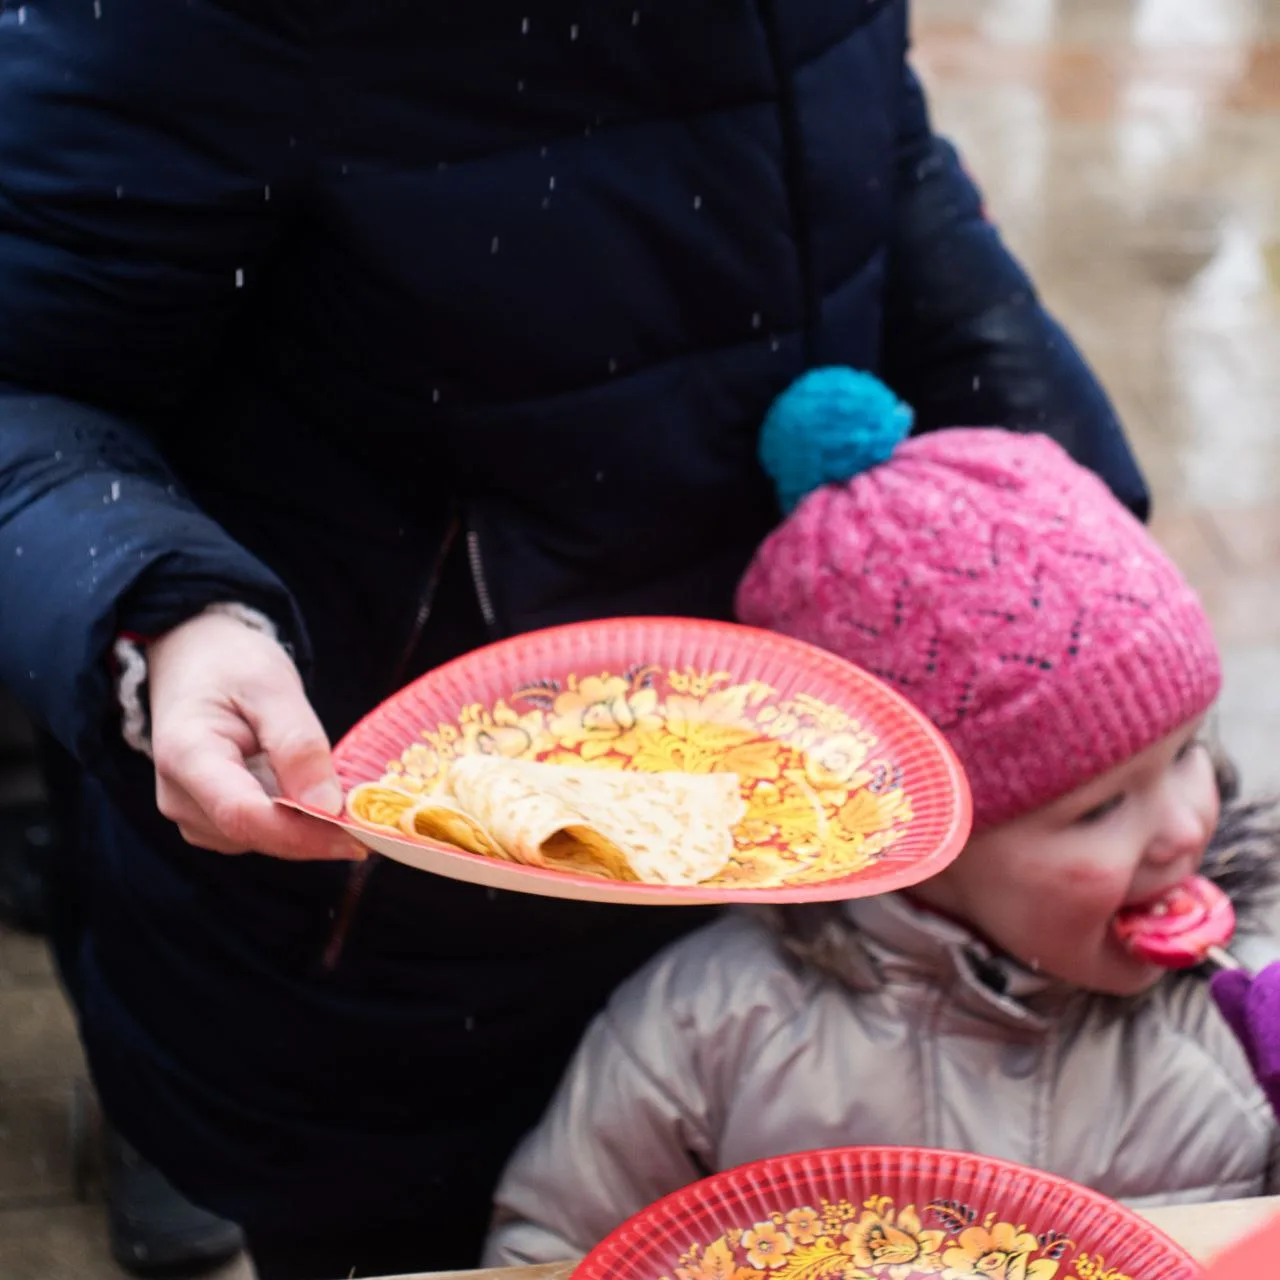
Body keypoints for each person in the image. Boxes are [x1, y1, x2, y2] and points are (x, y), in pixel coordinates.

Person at [0, 3, 1149, 1276]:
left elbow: (885, 169)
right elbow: (29, 379)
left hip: (783, 809)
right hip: (407, 909)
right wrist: (159, 606)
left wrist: (1081, 516)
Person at [483, 375, 1280, 1268]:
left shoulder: (1245, 1014)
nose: (1182, 828)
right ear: (915, 841)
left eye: (1184, 755)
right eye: (1098, 809)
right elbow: (551, 1246)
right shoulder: (720, 1031)